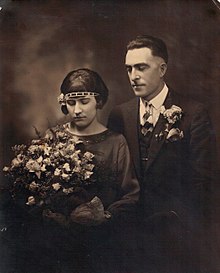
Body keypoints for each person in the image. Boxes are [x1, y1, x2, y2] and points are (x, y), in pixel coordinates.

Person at [2, 68, 140, 273]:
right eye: (71, 102)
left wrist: (105, 216)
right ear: (64, 103)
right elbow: (32, 189)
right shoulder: (52, 137)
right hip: (55, 242)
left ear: (98, 102)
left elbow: (131, 194)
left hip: (100, 242)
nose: (77, 110)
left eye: (84, 102)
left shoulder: (116, 142)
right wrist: (46, 211)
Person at [108, 35, 217, 272]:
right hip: (128, 233)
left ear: (162, 69)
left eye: (141, 67)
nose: (133, 76)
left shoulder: (193, 113)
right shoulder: (120, 114)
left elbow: (204, 180)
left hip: (176, 234)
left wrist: (181, 222)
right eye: (129, 69)